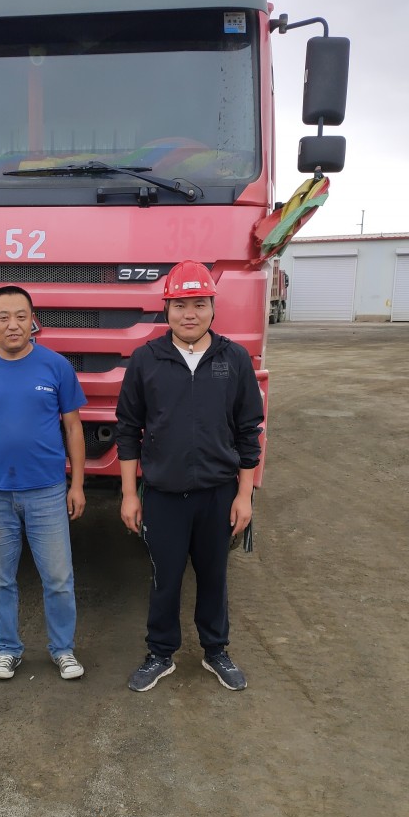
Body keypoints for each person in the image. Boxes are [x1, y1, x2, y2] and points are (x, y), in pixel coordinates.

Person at [115, 260, 264, 693]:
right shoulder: (146, 360)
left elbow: (249, 432)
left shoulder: (233, 359)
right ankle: (160, 653)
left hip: (218, 494)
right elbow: (127, 430)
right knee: (165, 578)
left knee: (214, 577)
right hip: (163, 494)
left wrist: (244, 496)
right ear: (166, 309)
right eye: (180, 305)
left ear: (213, 307)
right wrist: (129, 494)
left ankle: (216, 650)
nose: (189, 314)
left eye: (199, 304)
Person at [0, 285, 87, 681]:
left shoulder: (56, 367)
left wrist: (77, 485)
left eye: (21, 316)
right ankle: (7, 650)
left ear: (33, 322)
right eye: (4, 317)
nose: (13, 325)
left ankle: (63, 650)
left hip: (47, 492)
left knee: (58, 579)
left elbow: (73, 428)